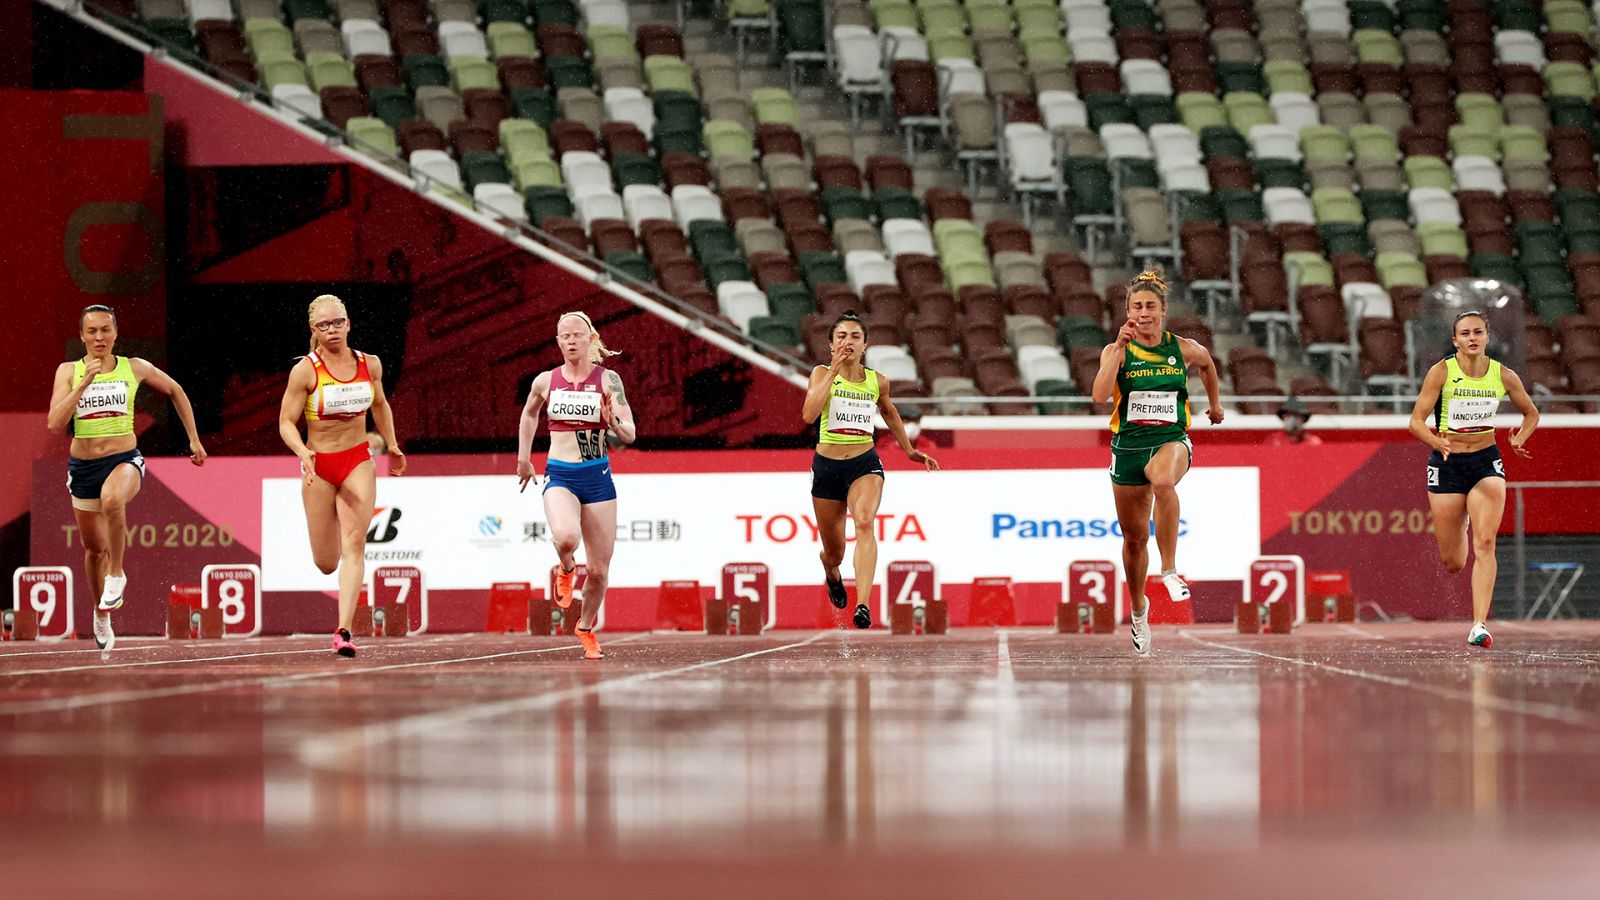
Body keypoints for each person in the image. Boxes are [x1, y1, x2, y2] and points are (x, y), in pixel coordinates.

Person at [46, 304, 207, 653]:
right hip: (83, 466)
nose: (99, 337)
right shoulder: (68, 371)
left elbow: (177, 391)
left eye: (106, 330)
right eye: (92, 331)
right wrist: (83, 384)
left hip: (124, 459)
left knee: (113, 500)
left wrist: (193, 438)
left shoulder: (134, 367)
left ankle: (117, 573)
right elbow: (55, 423)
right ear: (82, 336)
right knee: (93, 550)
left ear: (115, 333)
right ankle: (101, 612)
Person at [1091, 267, 1223, 655]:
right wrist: (1116, 350)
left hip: (1171, 438)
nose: (1143, 312)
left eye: (1150, 306)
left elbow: (1207, 365)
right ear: (1128, 311)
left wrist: (1214, 406)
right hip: (1128, 446)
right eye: (1136, 307)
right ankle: (1138, 609)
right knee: (1134, 541)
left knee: (1163, 480)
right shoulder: (1116, 350)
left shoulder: (1182, 348)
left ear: (1163, 311)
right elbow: (1100, 396)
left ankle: (1169, 570)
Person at [278, 295, 406, 657]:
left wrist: (393, 445)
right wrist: (302, 451)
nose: (331, 330)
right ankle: (329, 523)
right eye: (323, 325)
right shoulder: (305, 370)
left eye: (337, 323)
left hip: (357, 460)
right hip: (319, 465)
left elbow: (380, 404)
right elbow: (286, 422)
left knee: (355, 547)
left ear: (348, 324)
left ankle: (344, 631)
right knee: (326, 562)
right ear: (313, 330)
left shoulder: (370, 364)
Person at [1408, 310, 1539, 648]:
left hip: (1485, 462)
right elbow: (1416, 422)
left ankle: (1479, 624)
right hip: (1448, 462)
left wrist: (1520, 438)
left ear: (1487, 337)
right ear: (1455, 341)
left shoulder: (1503, 375)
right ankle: (1462, 518)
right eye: (1464, 333)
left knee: (1486, 544)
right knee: (1453, 561)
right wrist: (1435, 440)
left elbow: (1531, 412)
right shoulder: (1441, 372)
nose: (1472, 338)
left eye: (1477, 332)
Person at [801, 311, 939, 629]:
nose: (848, 342)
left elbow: (889, 413)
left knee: (864, 522)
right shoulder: (821, 373)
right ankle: (832, 574)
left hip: (864, 463)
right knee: (833, 552)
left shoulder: (878, 381)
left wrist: (910, 451)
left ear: (865, 344)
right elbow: (808, 415)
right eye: (841, 337)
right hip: (827, 468)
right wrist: (834, 369)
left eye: (854, 337)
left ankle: (863, 605)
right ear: (831, 344)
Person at [516, 311, 636, 660]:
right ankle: (566, 567)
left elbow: (630, 432)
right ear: (558, 342)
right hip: (561, 475)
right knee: (567, 538)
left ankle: (584, 627)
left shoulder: (609, 380)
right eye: (563, 336)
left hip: (597, 478)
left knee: (598, 571)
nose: (570, 340)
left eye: (576, 335)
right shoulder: (546, 381)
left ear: (590, 339)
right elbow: (529, 413)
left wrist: (614, 423)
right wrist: (525, 458)